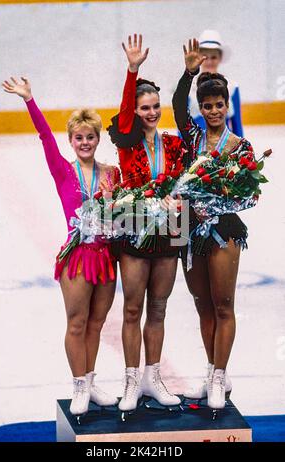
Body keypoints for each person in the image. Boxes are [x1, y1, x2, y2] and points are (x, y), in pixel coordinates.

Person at [2, 76, 120, 416]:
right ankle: (79, 385)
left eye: (90, 137)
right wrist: (29, 100)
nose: (85, 142)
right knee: (77, 323)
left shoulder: (111, 173)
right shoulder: (63, 171)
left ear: (98, 139)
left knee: (97, 324)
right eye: (79, 137)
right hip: (78, 257)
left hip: (105, 256)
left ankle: (92, 380)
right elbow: (43, 137)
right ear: (71, 140)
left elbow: (124, 212)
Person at [172, 39, 255, 409]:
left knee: (224, 305)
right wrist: (190, 72)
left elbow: (250, 195)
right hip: (187, 227)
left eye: (219, 105)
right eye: (207, 106)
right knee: (201, 304)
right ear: (201, 109)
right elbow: (177, 105)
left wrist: (221, 198)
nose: (214, 111)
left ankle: (221, 376)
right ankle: (211, 371)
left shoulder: (240, 147)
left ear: (227, 105)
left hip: (223, 230)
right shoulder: (191, 138)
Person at [108, 34, 185, 414]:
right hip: (134, 224)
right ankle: (130, 379)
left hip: (171, 228)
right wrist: (132, 70)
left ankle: (153, 378)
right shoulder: (127, 141)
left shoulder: (173, 145)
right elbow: (123, 111)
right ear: (134, 112)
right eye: (144, 108)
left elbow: (186, 185)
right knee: (132, 310)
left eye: (155, 106)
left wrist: (180, 204)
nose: (151, 112)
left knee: (159, 308)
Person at [185, 30, 243, 137]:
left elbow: (237, 125)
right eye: (205, 57)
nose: (209, 62)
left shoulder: (232, 87)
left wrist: (242, 151)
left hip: (224, 148)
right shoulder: (188, 87)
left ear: (220, 58)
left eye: (214, 57)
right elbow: (182, 125)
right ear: (198, 57)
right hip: (196, 147)